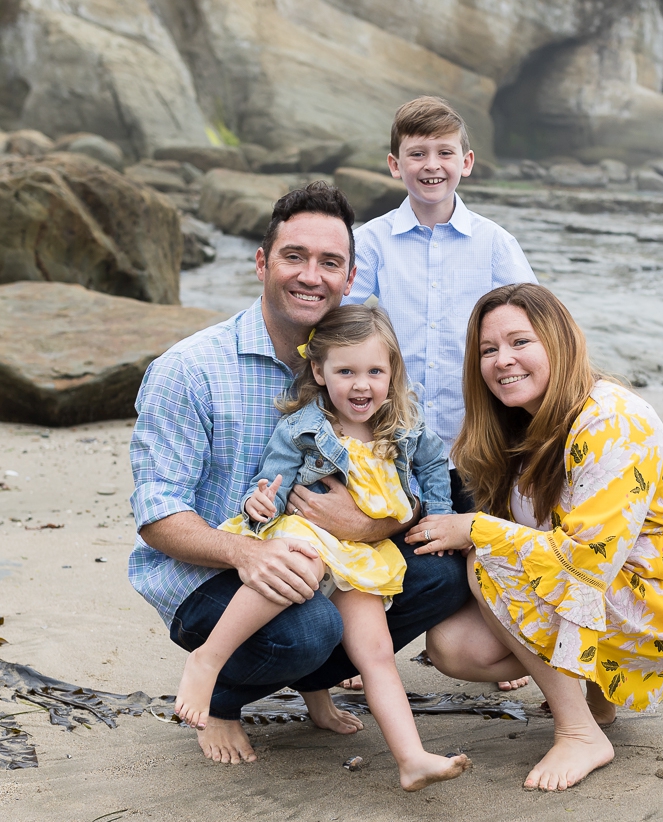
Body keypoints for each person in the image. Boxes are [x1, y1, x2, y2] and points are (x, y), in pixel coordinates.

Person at [128, 182, 479, 766]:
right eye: (294, 256)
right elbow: (158, 516)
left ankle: (315, 685)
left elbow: (407, 467)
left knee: (438, 580)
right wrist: (246, 554)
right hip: (208, 575)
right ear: (262, 262)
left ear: (350, 275)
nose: (311, 276)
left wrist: (379, 523)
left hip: (325, 556)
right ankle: (223, 696)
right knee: (306, 627)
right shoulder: (188, 371)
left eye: (329, 263)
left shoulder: (359, 364)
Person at [407, 283, 663, 792]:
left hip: (661, 598)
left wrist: (475, 529)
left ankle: (579, 731)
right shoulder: (518, 425)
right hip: (610, 587)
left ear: (559, 341)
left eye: (520, 342)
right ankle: (598, 698)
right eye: (488, 350)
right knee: (454, 647)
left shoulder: (611, 420)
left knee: (488, 555)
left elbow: (586, 560)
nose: (502, 360)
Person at [172, 304, 470, 791]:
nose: (361, 385)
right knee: (301, 568)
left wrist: (436, 513)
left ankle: (411, 758)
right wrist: (259, 502)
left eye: (375, 371)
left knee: (374, 652)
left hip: (361, 554)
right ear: (319, 371)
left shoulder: (404, 428)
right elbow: (271, 481)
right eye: (346, 371)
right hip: (307, 534)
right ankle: (206, 661)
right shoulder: (302, 428)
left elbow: (438, 463)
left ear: (392, 371)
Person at [340, 95, 537, 693]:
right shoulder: (370, 242)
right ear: (393, 166)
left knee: (482, 542)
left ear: (467, 161)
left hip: (475, 435)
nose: (432, 164)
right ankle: (359, 651)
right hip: (393, 439)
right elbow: (346, 329)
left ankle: (505, 637)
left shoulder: (494, 244)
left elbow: (534, 326)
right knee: (383, 545)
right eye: (416, 154)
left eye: (444, 152)